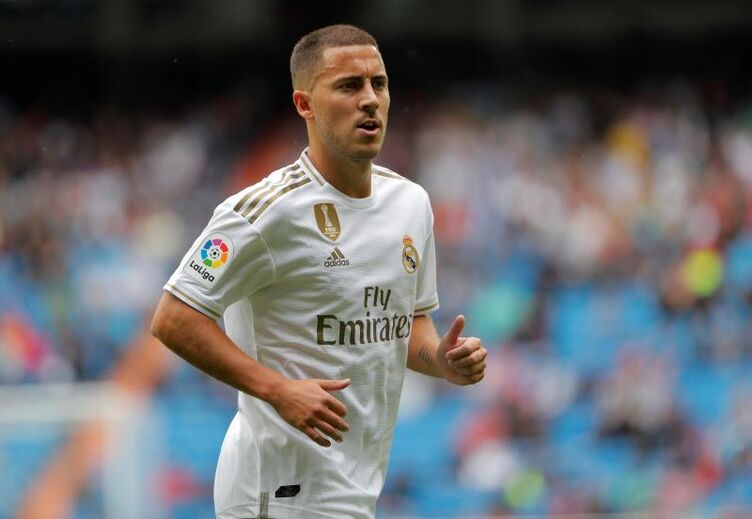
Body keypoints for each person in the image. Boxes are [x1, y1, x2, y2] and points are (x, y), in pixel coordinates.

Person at [151, 24, 487, 519]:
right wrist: (277, 390)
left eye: (379, 83)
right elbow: (173, 317)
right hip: (277, 490)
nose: (370, 99)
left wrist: (442, 361)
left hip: (354, 489)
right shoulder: (265, 212)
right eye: (349, 86)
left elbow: (407, 325)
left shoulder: (411, 203)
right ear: (304, 104)